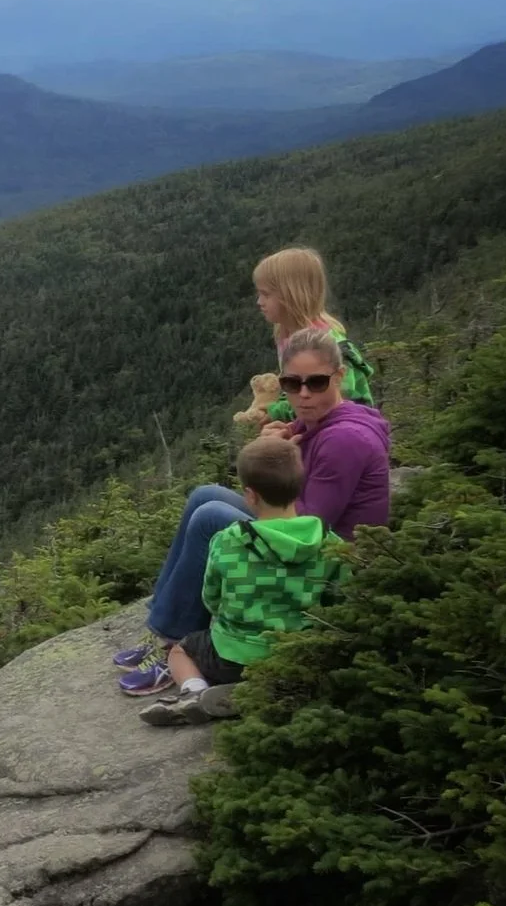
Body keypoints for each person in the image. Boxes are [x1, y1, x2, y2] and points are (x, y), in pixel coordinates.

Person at [120, 328, 391, 695]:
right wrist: (273, 446)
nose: (304, 394)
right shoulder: (318, 419)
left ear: (339, 376)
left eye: (316, 382)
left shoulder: (344, 439)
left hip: (332, 556)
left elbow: (309, 524)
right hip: (305, 536)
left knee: (210, 517)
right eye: (292, 384)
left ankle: (174, 644)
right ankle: (163, 624)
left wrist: (273, 458)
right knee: (205, 495)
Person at [138, 436, 346, 727]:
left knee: (180, 650)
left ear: (250, 496)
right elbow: (339, 600)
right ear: (300, 487)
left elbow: (211, 597)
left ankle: (194, 692)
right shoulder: (330, 543)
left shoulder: (228, 541)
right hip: (296, 655)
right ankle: (274, 689)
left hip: (231, 657)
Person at [251, 246, 375, 422]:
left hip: (347, 428)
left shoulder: (327, 345)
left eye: (265, 294)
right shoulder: (289, 335)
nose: (259, 302)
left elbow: (330, 401)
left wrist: (276, 412)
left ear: (290, 295)